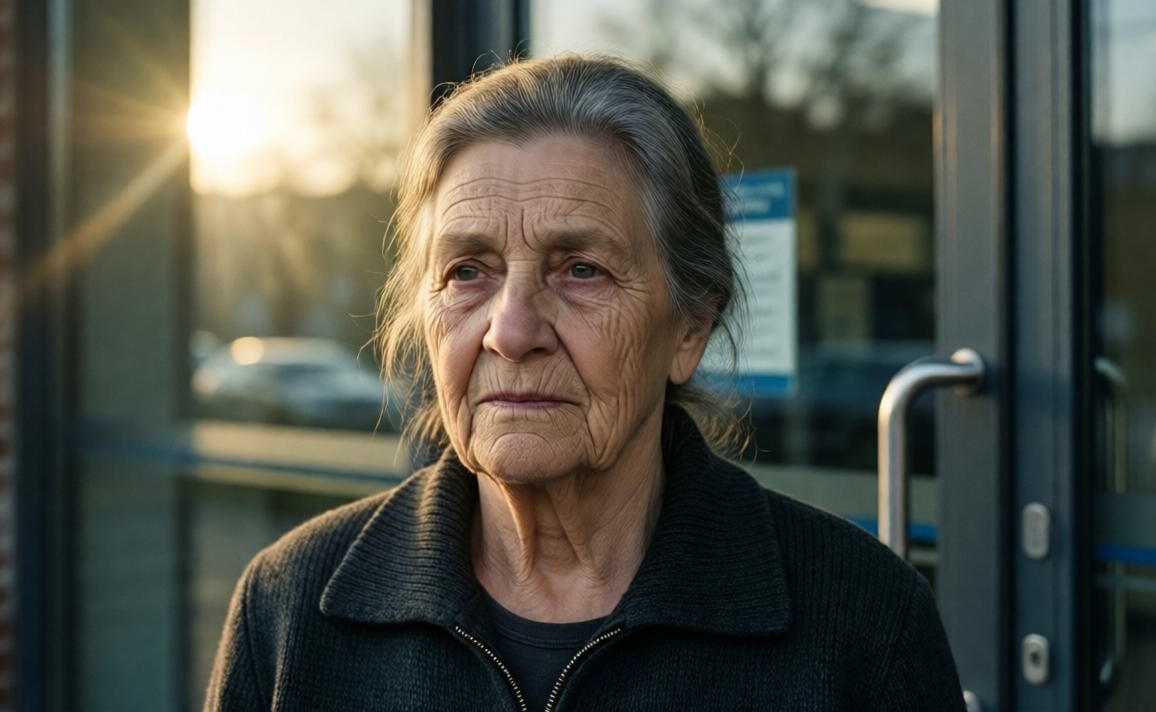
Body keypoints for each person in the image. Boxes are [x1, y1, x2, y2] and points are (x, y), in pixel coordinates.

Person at [204, 54, 965, 711]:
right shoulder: (293, 608)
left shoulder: (861, 619)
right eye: (467, 271)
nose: (510, 330)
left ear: (691, 325)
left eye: (581, 270)